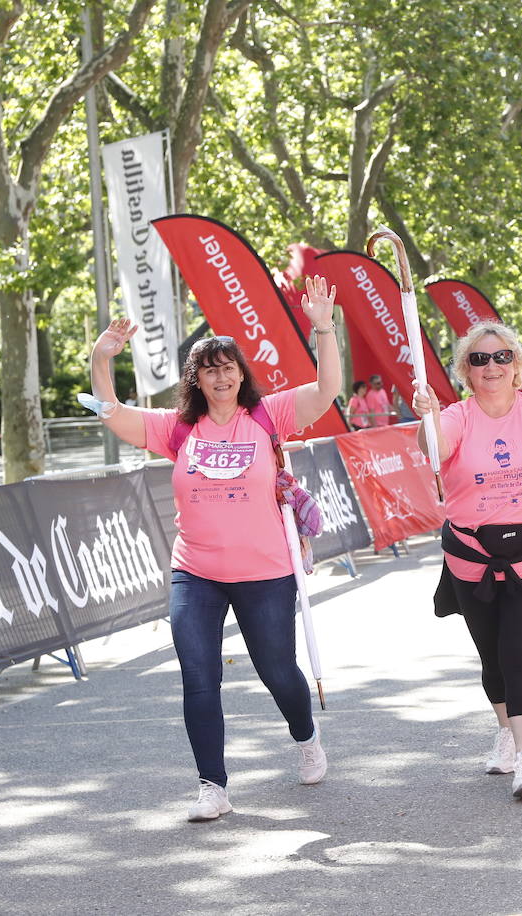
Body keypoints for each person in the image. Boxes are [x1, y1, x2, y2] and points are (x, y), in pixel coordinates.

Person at [87, 276, 340, 822]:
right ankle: (212, 785)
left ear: (240, 374)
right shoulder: (177, 428)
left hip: (265, 571)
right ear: (196, 379)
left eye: (229, 367)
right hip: (195, 572)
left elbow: (327, 389)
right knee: (199, 675)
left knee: (278, 671)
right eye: (210, 369)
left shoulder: (269, 416)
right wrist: (100, 359)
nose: (221, 377)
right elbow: (110, 412)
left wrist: (323, 328)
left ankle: (305, 736)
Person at [411, 321, 522, 800]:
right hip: (471, 559)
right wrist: (425, 417)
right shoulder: (456, 416)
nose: (492, 366)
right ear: (466, 371)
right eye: (479, 359)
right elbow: (433, 451)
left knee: (520, 656)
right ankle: (507, 734)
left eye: (502, 357)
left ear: (519, 366)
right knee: (491, 657)